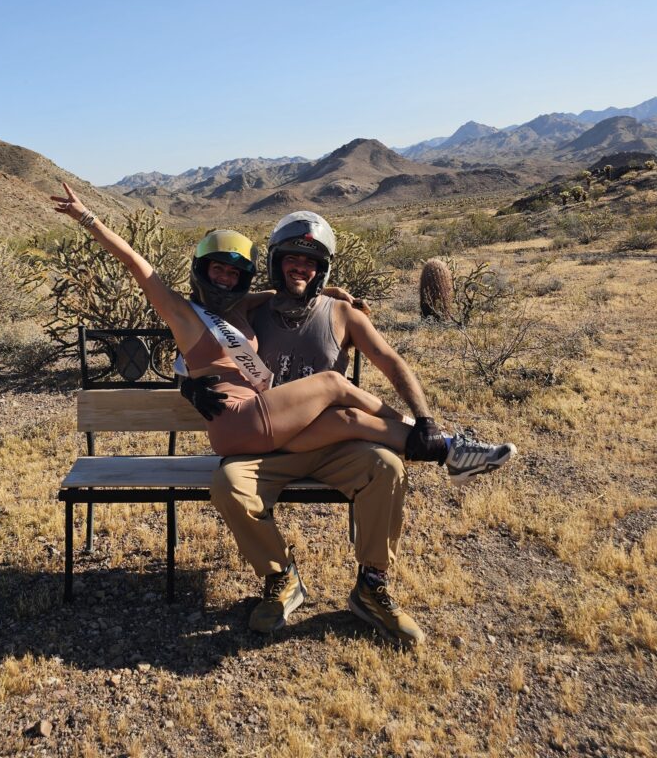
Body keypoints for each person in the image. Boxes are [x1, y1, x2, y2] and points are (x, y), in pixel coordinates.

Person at [182, 211, 517, 647]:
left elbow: (393, 362)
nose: (300, 269)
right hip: (270, 446)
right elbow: (197, 334)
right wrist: (188, 386)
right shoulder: (250, 308)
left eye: (311, 263)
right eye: (291, 260)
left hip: (335, 443)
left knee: (386, 467)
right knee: (229, 482)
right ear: (274, 263)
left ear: (322, 269)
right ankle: (281, 578)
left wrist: (425, 415)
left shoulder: (344, 314)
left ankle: (372, 586)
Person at [51, 183, 472, 465]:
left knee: (351, 421)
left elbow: (288, 292)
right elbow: (134, 264)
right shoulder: (179, 311)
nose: (226, 279)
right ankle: (423, 431)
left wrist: (331, 292)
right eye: (217, 271)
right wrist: (87, 217)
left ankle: (446, 450)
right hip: (238, 423)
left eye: (234, 274)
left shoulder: (245, 308)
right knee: (334, 386)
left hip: (265, 420)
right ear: (201, 270)